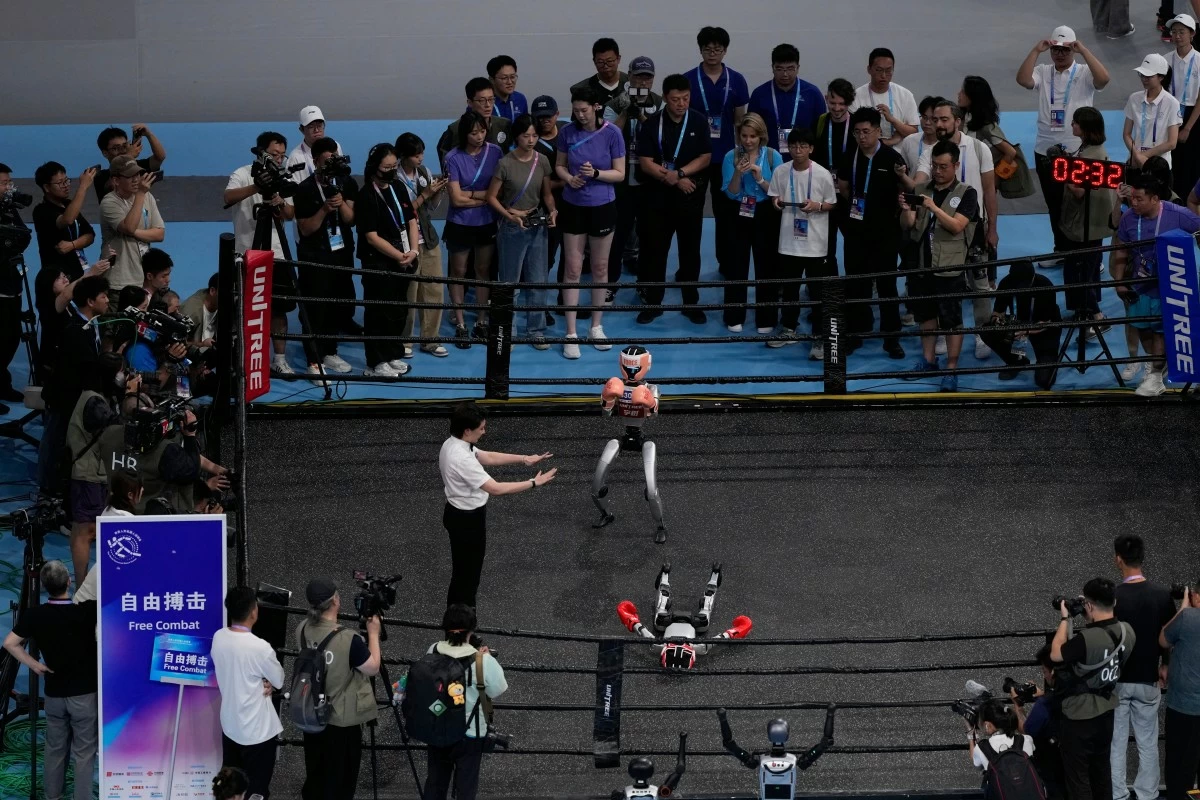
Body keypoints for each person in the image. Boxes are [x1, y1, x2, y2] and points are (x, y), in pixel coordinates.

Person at [439, 402, 556, 608]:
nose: (484, 432)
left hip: (457, 514)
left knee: (463, 572)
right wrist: (533, 483)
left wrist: (524, 459)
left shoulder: (454, 443)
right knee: (468, 576)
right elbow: (496, 488)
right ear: (467, 431)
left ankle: (459, 619)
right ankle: (462, 624)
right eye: (481, 428)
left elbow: (486, 456)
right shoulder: (461, 459)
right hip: (467, 522)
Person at [1016, 26, 1111, 266]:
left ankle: (1090, 254)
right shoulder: (1043, 71)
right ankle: (1061, 250)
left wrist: (1084, 51)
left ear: (1073, 49)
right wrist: (1036, 50)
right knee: (1055, 203)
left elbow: (1104, 79)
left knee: (1083, 203)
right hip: (1045, 150)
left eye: (1065, 50)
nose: (1059, 54)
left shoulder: (1085, 72)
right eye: (1056, 50)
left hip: (1078, 150)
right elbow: (1023, 80)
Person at [913, 99, 1000, 360]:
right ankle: (943, 330)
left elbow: (989, 191)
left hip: (973, 228)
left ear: (957, 121)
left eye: (943, 120)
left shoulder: (979, 148)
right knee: (942, 282)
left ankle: (982, 333)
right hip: (942, 230)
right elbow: (919, 182)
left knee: (979, 284)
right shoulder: (931, 151)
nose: (937, 124)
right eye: (934, 120)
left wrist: (992, 227)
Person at [3, 560, 97, 800]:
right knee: (84, 753)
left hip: (54, 694)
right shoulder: (88, 611)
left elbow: (9, 644)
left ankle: (52, 797)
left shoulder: (35, 615)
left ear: (44, 586)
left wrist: (35, 666)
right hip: (84, 695)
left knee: (55, 750)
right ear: (69, 582)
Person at [900, 140, 981, 392]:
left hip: (949, 266)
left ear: (956, 165)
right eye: (934, 166)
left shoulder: (967, 193)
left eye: (943, 166)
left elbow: (957, 226)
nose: (937, 171)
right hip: (921, 264)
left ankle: (951, 368)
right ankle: (928, 360)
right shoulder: (922, 188)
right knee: (925, 316)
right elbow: (909, 226)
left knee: (951, 319)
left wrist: (933, 206)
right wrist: (906, 210)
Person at [1111, 173, 1200, 395]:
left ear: (1155, 198)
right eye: (1132, 198)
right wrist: (1120, 282)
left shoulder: (1178, 215)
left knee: (1160, 330)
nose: (1134, 203)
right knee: (1143, 327)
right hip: (1139, 284)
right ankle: (1157, 366)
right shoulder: (1129, 218)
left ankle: (1155, 374)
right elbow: (1121, 249)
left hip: (1168, 286)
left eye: (1139, 199)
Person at [1050, 578, 1137, 800]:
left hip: (1078, 716)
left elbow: (1056, 654)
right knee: (1101, 772)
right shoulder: (1128, 632)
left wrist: (1065, 617)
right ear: (1114, 601)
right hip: (1107, 712)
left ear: (1088, 605)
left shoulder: (1086, 639)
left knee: (1078, 778)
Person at [555, 88, 626, 357]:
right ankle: (570, 333)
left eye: (584, 110)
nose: (580, 115)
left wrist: (596, 173)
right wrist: (569, 178)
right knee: (572, 269)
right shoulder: (567, 133)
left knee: (599, 267)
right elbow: (559, 165)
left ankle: (596, 327)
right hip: (573, 206)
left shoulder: (612, 134)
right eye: (576, 110)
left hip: (603, 206)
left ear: (596, 107)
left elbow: (620, 174)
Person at [636, 74, 712, 325]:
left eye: (686, 98)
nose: (681, 103)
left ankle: (691, 303)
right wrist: (672, 178)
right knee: (655, 251)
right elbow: (646, 163)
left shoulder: (699, 121)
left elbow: (705, 157)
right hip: (658, 198)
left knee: (690, 251)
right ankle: (653, 302)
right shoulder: (652, 123)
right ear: (666, 98)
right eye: (676, 99)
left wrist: (679, 174)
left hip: (689, 196)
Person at [297, 578, 381, 800]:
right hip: (341, 720)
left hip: (312, 713)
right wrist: (373, 634)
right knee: (341, 779)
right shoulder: (347, 638)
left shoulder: (302, 629)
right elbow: (372, 667)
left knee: (316, 772)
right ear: (335, 601)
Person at [223, 132, 297, 376]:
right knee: (245, 309)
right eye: (274, 154)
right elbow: (228, 197)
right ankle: (244, 360)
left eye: (282, 155)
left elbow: (289, 214)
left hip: (278, 254)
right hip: (247, 252)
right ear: (261, 152)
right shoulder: (242, 173)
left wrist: (277, 199)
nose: (278, 159)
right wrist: (257, 185)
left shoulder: (283, 177)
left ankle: (280, 359)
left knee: (279, 309)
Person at [1111, 534, 1177, 800]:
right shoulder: (1161, 595)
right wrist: (1165, 665)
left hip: (1117, 680)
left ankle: (1117, 794)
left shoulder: (1113, 597)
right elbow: (1169, 636)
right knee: (1148, 742)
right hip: (1148, 678)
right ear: (1142, 557)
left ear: (1118, 559)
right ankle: (1147, 794)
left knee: (1116, 742)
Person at [421, 605, 509, 800]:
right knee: (466, 789)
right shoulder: (482, 661)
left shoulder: (433, 650)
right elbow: (498, 689)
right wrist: (484, 658)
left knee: (435, 784)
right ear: (472, 630)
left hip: (438, 728)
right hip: (471, 733)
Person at [837, 107, 906, 358]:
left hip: (886, 234)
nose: (862, 137)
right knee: (857, 284)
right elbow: (843, 188)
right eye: (857, 132)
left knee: (887, 285)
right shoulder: (849, 157)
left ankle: (891, 338)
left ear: (879, 131)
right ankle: (857, 332)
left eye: (867, 131)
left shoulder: (892, 159)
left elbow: (903, 191)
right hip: (856, 232)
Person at [486, 114, 557, 350]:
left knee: (538, 280)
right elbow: (491, 197)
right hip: (512, 227)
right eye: (526, 135)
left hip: (537, 226)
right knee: (510, 283)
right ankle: (509, 331)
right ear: (516, 136)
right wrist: (510, 216)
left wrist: (553, 210)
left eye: (535, 135)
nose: (531, 140)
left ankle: (536, 330)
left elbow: (546, 194)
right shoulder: (505, 163)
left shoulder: (543, 160)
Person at [766, 127, 837, 356]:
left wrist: (817, 206)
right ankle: (788, 329)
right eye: (794, 146)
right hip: (788, 242)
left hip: (816, 245)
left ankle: (819, 336)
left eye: (803, 146)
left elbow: (831, 204)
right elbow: (774, 197)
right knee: (789, 289)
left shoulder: (823, 174)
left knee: (817, 292)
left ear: (811, 149)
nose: (798, 150)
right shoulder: (780, 171)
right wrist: (776, 203)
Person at [293, 136, 359, 378]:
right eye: (325, 160)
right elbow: (306, 229)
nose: (330, 165)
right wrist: (324, 209)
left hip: (341, 254)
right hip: (315, 256)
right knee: (315, 308)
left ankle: (330, 351)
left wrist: (340, 204)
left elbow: (351, 220)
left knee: (337, 303)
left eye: (334, 159)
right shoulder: (305, 189)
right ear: (315, 160)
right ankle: (313, 359)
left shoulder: (346, 182)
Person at [210, 586, 284, 800]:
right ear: (254, 611)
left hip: (230, 725)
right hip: (258, 732)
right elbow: (278, 679)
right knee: (256, 789)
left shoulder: (218, 637)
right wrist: (266, 679)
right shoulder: (260, 647)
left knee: (230, 786)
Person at [356, 143, 421, 377]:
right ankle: (375, 362)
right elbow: (371, 238)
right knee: (378, 313)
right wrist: (399, 256)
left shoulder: (398, 188)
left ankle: (392, 354)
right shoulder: (366, 195)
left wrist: (413, 251)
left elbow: (411, 221)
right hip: (378, 262)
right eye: (387, 167)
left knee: (398, 311)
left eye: (394, 166)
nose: (391, 170)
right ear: (374, 167)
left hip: (404, 257)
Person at [689, 27, 750, 276]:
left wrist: (742, 153)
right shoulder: (689, 79)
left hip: (726, 158)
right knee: (691, 217)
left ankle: (727, 261)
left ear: (725, 51)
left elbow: (739, 121)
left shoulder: (736, 80)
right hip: (697, 159)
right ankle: (688, 269)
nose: (712, 52)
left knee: (727, 214)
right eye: (707, 48)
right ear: (700, 49)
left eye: (717, 49)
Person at [32, 162, 99, 376]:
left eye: (66, 180)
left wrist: (71, 245)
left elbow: (90, 235)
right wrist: (83, 187)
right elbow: (67, 220)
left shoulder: (69, 204)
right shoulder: (41, 211)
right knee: (55, 327)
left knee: (79, 324)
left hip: (77, 271)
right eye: (59, 182)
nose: (65, 185)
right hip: (56, 281)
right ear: (46, 187)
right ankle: (47, 371)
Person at [444, 113, 502, 348]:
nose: (479, 137)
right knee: (458, 272)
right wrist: (484, 197)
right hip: (460, 223)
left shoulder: (496, 152)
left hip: (487, 222)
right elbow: (456, 200)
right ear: (464, 134)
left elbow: (497, 191)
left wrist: (472, 195)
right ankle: (460, 324)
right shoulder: (453, 157)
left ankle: (481, 320)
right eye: (473, 132)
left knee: (483, 270)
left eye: (482, 131)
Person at [721, 113, 783, 333]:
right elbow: (731, 192)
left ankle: (766, 318)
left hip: (766, 213)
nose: (748, 141)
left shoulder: (773, 157)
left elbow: (777, 193)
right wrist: (738, 172)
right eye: (744, 136)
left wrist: (758, 178)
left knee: (766, 265)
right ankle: (733, 314)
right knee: (736, 264)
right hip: (739, 212)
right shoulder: (731, 156)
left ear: (761, 136)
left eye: (752, 136)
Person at [604, 57, 663, 289]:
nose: (643, 81)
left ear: (653, 79)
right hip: (621, 181)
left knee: (649, 236)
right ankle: (610, 284)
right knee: (617, 235)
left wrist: (641, 116)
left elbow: (661, 140)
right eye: (638, 76)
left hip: (649, 180)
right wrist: (626, 111)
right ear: (629, 76)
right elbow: (607, 138)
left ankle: (646, 285)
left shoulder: (660, 104)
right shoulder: (615, 103)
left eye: (647, 77)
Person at [1060, 108, 1117, 338]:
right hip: (1093, 221)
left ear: (1085, 128)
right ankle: (1084, 311)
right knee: (1089, 269)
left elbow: (1080, 191)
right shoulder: (1090, 149)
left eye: (1075, 123)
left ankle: (1096, 317)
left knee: (1080, 271)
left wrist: (1064, 173)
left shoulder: (1090, 156)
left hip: (1086, 223)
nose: (1072, 125)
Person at [396, 133, 450, 357]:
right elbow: (402, 212)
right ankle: (404, 342)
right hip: (406, 242)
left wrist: (437, 194)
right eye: (416, 155)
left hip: (427, 238)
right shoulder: (394, 179)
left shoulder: (424, 173)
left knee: (434, 290)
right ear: (403, 156)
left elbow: (430, 208)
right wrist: (425, 194)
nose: (421, 158)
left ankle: (430, 339)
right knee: (410, 293)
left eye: (422, 153)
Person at [98, 155, 165, 297]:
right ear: (116, 180)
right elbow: (128, 227)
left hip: (143, 280)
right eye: (130, 176)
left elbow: (159, 234)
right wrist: (140, 193)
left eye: (138, 174)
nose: (136, 180)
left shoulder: (147, 197)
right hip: (118, 283)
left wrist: (134, 232)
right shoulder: (109, 202)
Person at [747, 43, 826, 160]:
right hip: (768, 160)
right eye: (780, 69)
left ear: (798, 68)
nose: (785, 74)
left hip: (803, 160)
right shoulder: (759, 94)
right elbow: (751, 129)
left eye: (790, 69)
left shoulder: (812, 93)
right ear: (772, 67)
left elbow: (820, 132)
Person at [1160, 583, 1200, 800]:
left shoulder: (1187, 618)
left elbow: (1163, 639)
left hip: (1183, 708)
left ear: (1196, 596)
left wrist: (1183, 607)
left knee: (1179, 768)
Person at [813, 78, 856, 274]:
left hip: (850, 196)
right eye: (833, 103)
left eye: (842, 104)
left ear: (849, 103)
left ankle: (857, 288)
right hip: (824, 195)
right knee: (825, 247)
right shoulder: (819, 123)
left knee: (854, 245)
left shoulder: (857, 125)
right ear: (826, 99)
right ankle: (829, 292)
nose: (837, 108)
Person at [532, 95, 568, 318]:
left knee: (571, 258)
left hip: (572, 205)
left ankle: (565, 301)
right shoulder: (531, 143)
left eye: (549, 115)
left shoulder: (568, 134)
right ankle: (539, 306)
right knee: (544, 260)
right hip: (544, 208)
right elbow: (533, 182)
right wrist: (563, 181)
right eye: (540, 117)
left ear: (557, 114)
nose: (545, 120)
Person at [437, 78, 514, 169]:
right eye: (482, 101)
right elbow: (446, 162)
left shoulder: (504, 124)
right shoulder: (455, 129)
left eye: (491, 99)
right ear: (470, 102)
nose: (488, 105)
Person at [1124, 54, 1182, 173]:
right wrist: (1136, 156)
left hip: (1160, 167)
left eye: (1148, 76)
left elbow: (1171, 143)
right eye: (1142, 75)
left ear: (1161, 77)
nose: (1144, 79)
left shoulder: (1172, 103)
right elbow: (1126, 134)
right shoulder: (1134, 98)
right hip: (1135, 163)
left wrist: (1143, 157)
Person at [852, 48, 919, 146]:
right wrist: (889, 142)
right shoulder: (856, 96)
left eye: (888, 70)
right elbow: (854, 134)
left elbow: (914, 132)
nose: (883, 75)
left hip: (899, 155)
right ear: (869, 69)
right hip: (867, 154)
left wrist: (893, 120)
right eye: (879, 70)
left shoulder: (905, 95)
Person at [1166, 14, 1200, 198]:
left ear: (1192, 34)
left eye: (1182, 32)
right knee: (1172, 159)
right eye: (1174, 32)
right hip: (1170, 113)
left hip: (1192, 115)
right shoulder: (1165, 60)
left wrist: (1187, 127)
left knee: (1191, 161)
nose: (1177, 36)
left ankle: (1190, 202)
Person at [93, 125, 166, 202]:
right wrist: (129, 156)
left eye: (124, 146)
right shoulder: (101, 176)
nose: (122, 151)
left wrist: (149, 134)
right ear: (105, 153)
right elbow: (112, 187)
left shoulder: (138, 167)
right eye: (116, 148)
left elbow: (159, 157)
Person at [968, 699, 1035, 768]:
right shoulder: (1026, 739)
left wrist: (970, 732)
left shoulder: (981, 748)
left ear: (987, 725)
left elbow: (976, 764)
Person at [286, 106, 345, 183]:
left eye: (319, 126)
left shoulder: (335, 146)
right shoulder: (295, 157)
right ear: (301, 130)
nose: (316, 130)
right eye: (311, 127)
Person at [571, 38, 629, 105]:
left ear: (618, 59)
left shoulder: (631, 84)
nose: (606, 66)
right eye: (600, 62)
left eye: (609, 61)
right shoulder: (581, 89)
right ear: (594, 61)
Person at [488, 55, 527, 123]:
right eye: (504, 78)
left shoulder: (520, 99)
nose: (509, 82)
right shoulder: (484, 102)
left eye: (512, 77)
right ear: (492, 79)